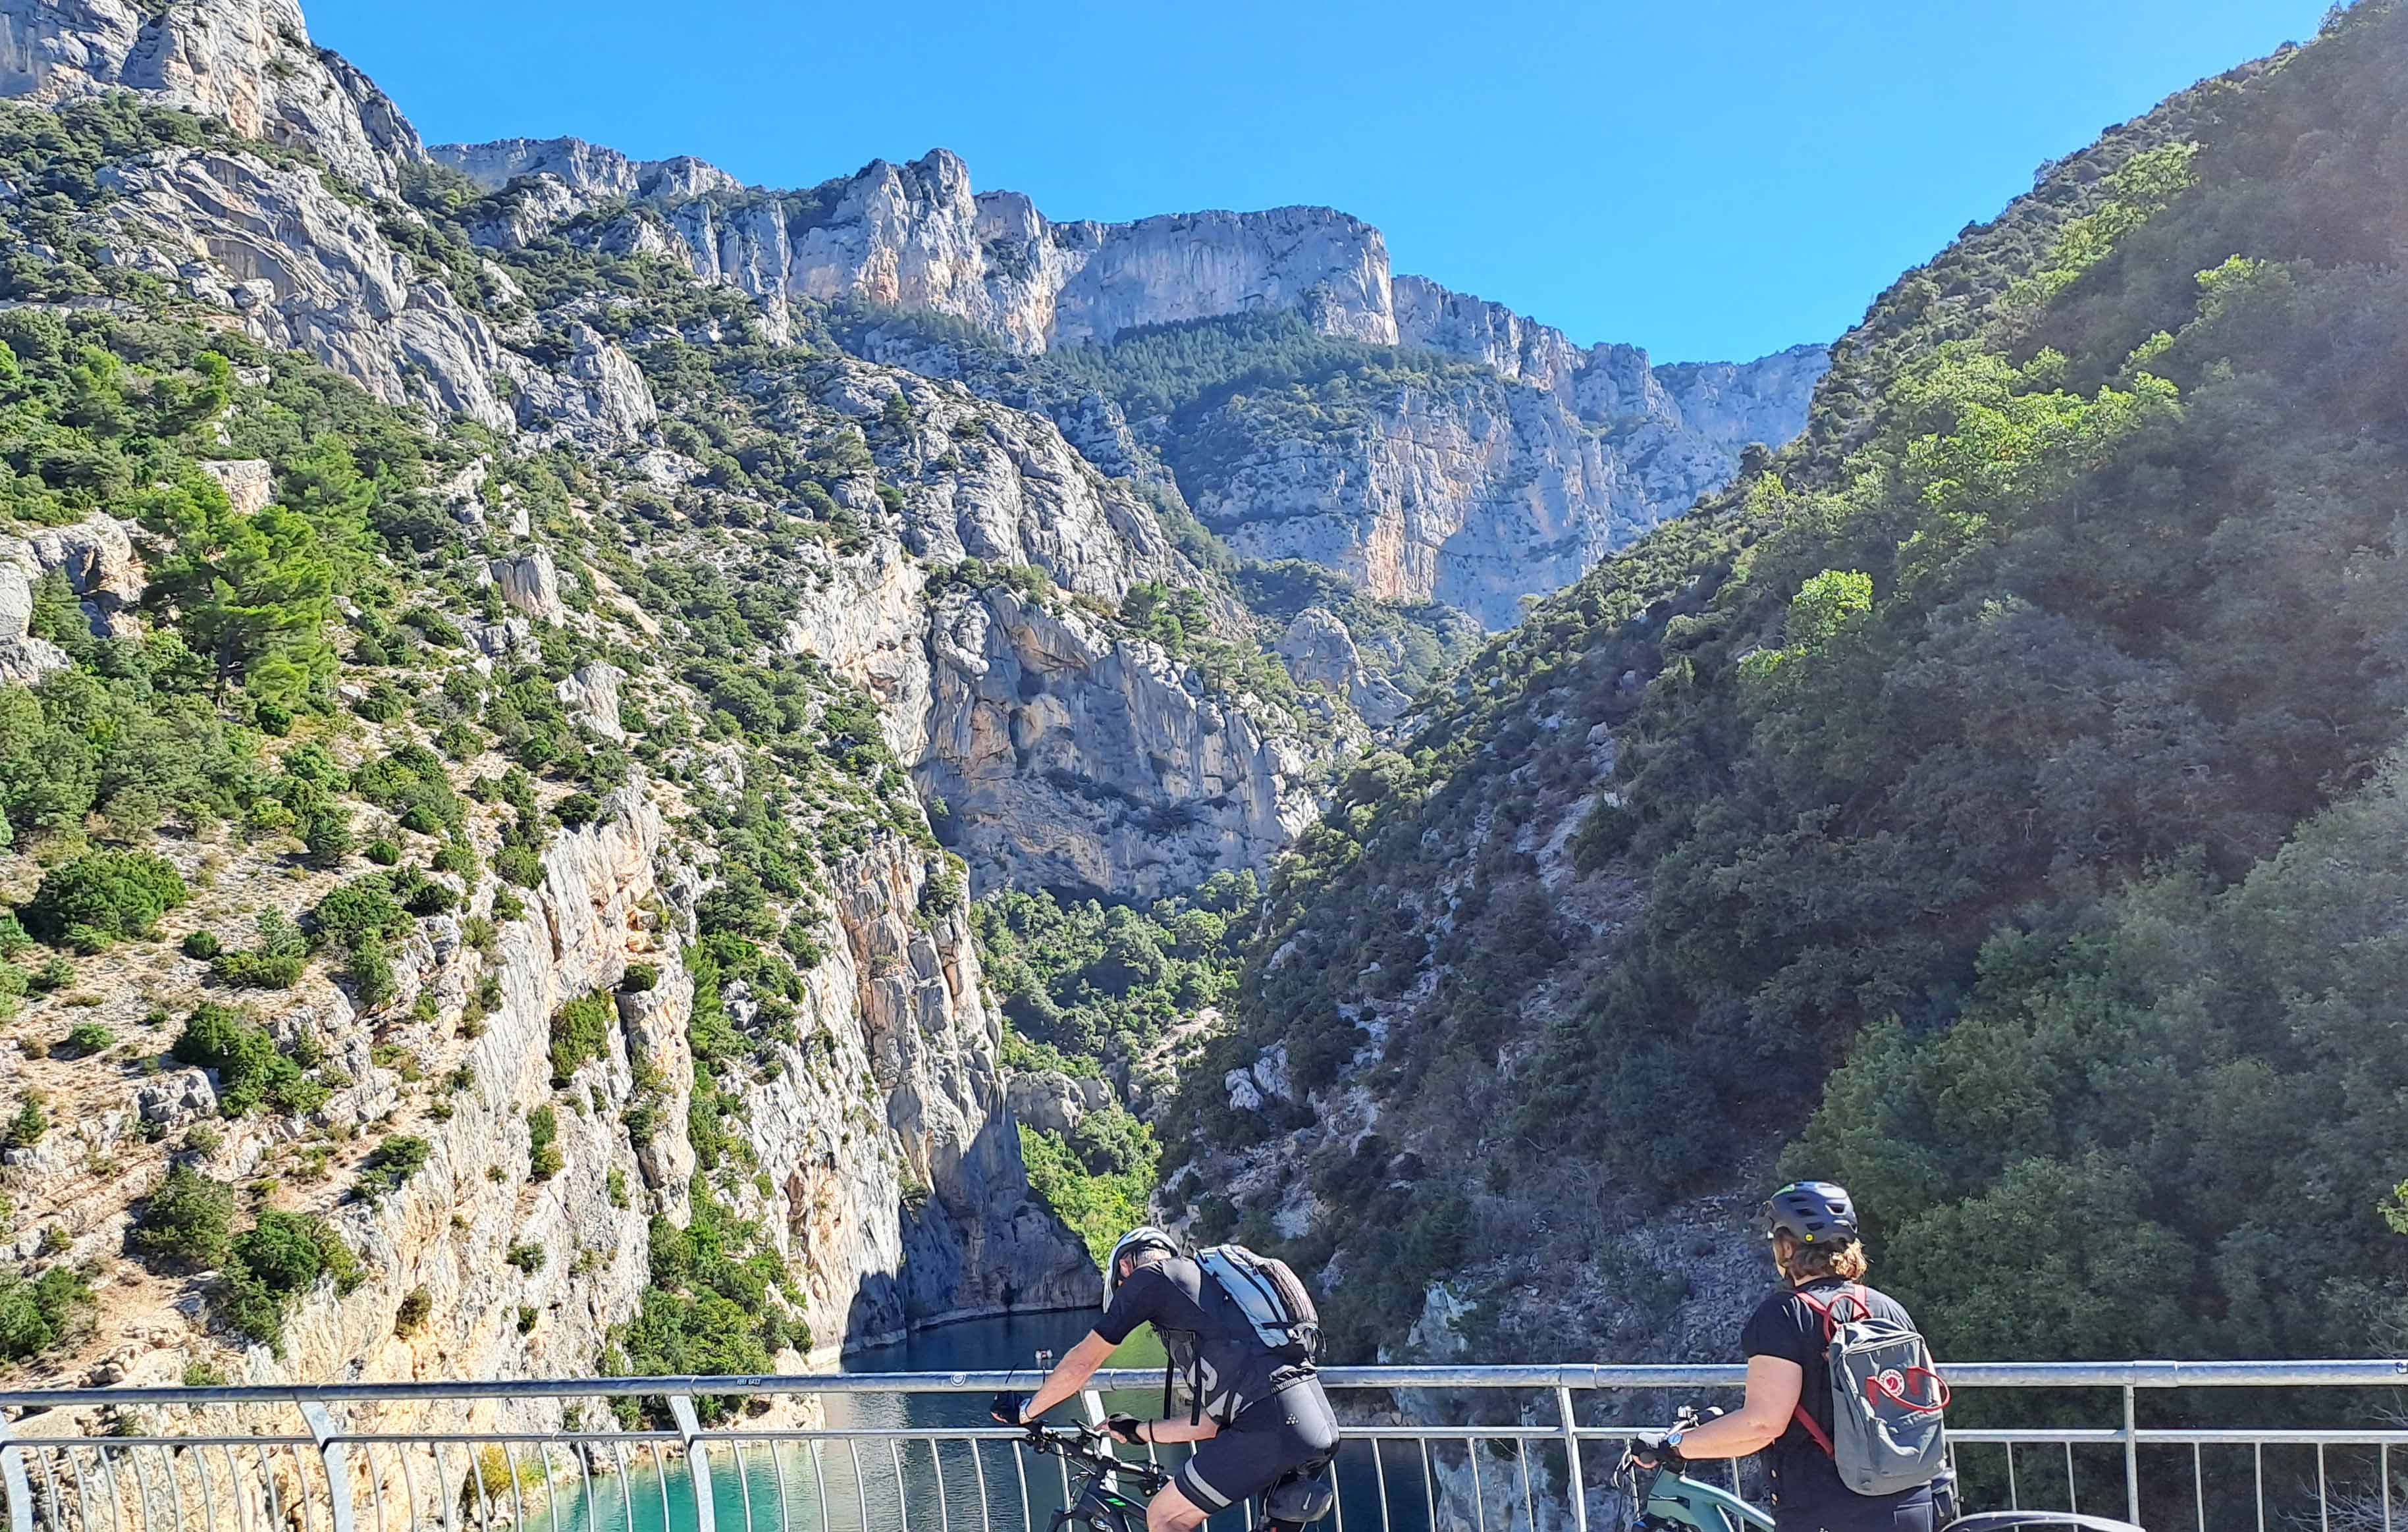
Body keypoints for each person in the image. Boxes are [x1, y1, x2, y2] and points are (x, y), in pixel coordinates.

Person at [992, 1227, 1339, 1532]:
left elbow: (1081, 1364)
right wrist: (1138, 1430)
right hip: (1316, 1423)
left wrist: (1026, 1411)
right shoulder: (1215, 1304)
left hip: (1271, 1425)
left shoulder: (1149, 1279)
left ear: (1125, 1268)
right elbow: (1212, 1424)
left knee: (1165, 1517)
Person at [1640, 1182, 1940, 1532]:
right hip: (1913, 1502)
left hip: (1826, 1510)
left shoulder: (1784, 1315)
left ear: (1787, 1247)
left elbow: (1762, 1424)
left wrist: (1674, 1446)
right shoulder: (1887, 1308)